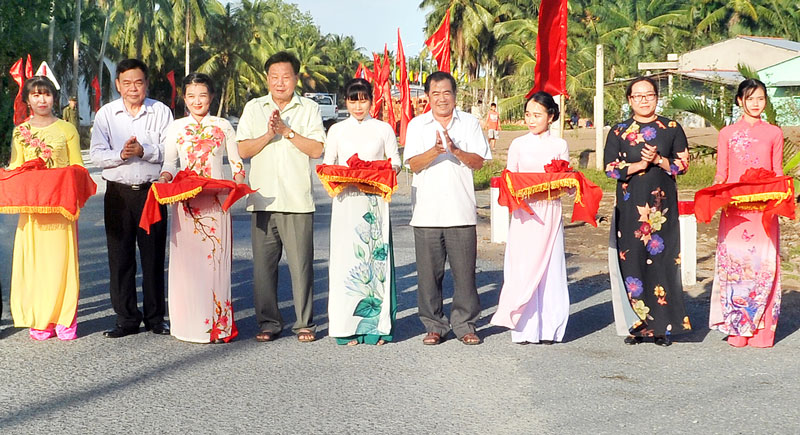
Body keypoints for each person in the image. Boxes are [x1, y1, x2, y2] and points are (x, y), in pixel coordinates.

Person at [237, 51, 325, 343]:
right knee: (263, 268)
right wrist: (268, 134)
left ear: (296, 78)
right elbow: (243, 150)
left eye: (286, 76)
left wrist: (286, 131)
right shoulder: (254, 107)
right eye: (274, 77)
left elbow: (316, 150)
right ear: (267, 79)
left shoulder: (309, 108)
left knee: (301, 267)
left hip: (297, 201)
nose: (279, 82)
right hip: (263, 199)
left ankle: (304, 323)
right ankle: (269, 322)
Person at [404, 71, 492, 346]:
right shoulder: (418, 125)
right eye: (435, 93)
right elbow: (412, 164)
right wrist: (434, 150)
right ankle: (434, 325)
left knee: (465, 274)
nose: (441, 99)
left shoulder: (469, 123)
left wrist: (454, 149)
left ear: (455, 95)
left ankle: (465, 324)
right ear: (427, 96)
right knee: (429, 276)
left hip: (461, 210)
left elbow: (478, 162)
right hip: (427, 213)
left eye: (446, 93)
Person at [604, 76, 691, 347]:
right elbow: (610, 169)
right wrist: (638, 166)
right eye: (638, 96)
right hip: (630, 209)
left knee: (664, 263)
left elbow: (682, 165)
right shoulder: (618, 131)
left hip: (662, 209)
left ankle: (662, 326)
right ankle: (638, 324)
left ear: (657, 97)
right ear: (629, 100)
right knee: (633, 263)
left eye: (649, 95)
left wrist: (658, 160)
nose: (644, 100)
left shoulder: (671, 128)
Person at [159, 73, 245, 344]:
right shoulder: (176, 127)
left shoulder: (223, 126)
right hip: (186, 204)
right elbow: (170, 164)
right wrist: (164, 179)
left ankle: (218, 325)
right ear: (185, 98)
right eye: (191, 96)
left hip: (217, 203)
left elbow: (236, 162)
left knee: (215, 263)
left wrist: (239, 183)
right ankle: (188, 324)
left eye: (203, 95)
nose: (197, 101)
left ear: (211, 97)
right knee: (187, 266)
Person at [90, 58, 173, 338]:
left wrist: (144, 150)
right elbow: (97, 155)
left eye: (138, 82)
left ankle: (155, 318)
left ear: (146, 84)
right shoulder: (106, 114)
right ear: (117, 85)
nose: (133, 88)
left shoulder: (160, 111)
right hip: (118, 195)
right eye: (126, 83)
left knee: (153, 257)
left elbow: (170, 152)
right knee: (120, 257)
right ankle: (126, 318)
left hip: (152, 193)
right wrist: (122, 154)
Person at [323, 78, 400, 346]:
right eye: (353, 100)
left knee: (375, 261)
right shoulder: (336, 130)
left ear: (372, 100)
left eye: (363, 99)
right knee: (346, 262)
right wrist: (348, 177)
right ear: (345, 101)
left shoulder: (383, 128)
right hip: (346, 202)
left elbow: (396, 163)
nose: (358, 105)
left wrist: (372, 173)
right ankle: (346, 328)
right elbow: (327, 165)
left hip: (374, 203)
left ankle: (377, 329)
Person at [709, 79, 784, 348]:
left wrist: (780, 197)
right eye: (750, 98)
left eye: (761, 98)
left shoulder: (774, 132)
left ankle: (763, 329)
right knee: (736, 266)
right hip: (735, 211)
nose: (756, 103)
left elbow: (777, 172)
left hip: (764, 211)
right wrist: (718, 191)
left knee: (764, 265)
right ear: (739, 100)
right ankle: (738, 326)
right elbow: (722, 172)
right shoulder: (727, 133)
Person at [490, 92, 570, 344]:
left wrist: (553, 186)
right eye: (528, 114)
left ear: (551, 116)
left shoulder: (559, 145)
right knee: (523, 267)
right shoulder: (518, 144)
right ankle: (524, 328)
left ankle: (551, 329)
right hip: (524, 213)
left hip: (549, 210)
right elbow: (509, 180)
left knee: (550, 268)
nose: (531, 120)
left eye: (537, 115)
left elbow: (564, 180)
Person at [8, 76, 83, 340]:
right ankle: (40, 318)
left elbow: (78, 167)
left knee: (61, 263)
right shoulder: (20, 131)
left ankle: (64, 317)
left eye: (47, 94)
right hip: (32, 210)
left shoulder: (66, 129)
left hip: (60, 208)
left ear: (54, 97)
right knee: (35, 263)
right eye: (36, 95)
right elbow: (16, 167)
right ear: (27, 100)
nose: (42, 100)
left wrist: (64, 184)